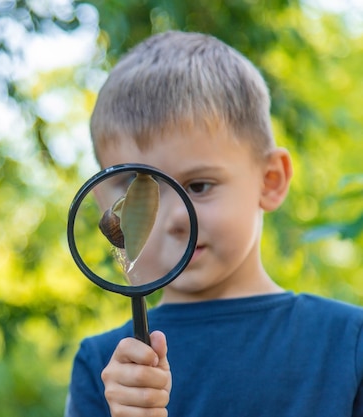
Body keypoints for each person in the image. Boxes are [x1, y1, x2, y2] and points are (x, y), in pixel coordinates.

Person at [64, 30, 363, 417]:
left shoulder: (347, 344)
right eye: (139, 193)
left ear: (270, 180)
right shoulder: (106, 369)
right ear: (105, 207)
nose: (174, 219)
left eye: (199, 185)